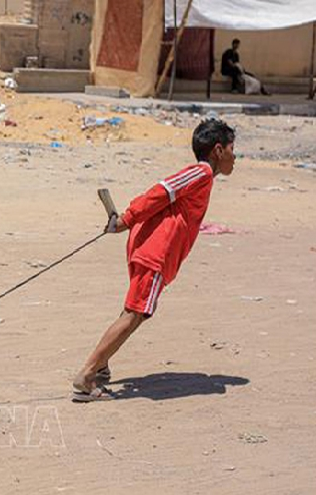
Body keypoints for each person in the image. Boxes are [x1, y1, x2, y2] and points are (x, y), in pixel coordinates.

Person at [72, 119, 236, 402]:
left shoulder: (203, 176)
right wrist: (125, 219)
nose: (236, 157)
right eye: (233, 149)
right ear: (218, 150)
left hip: (153, 252)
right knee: (135, 313)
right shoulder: (201, 173)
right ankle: (87, 375)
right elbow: (162, 190)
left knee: (137, 311)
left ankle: (101, 364)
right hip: (155, 253)